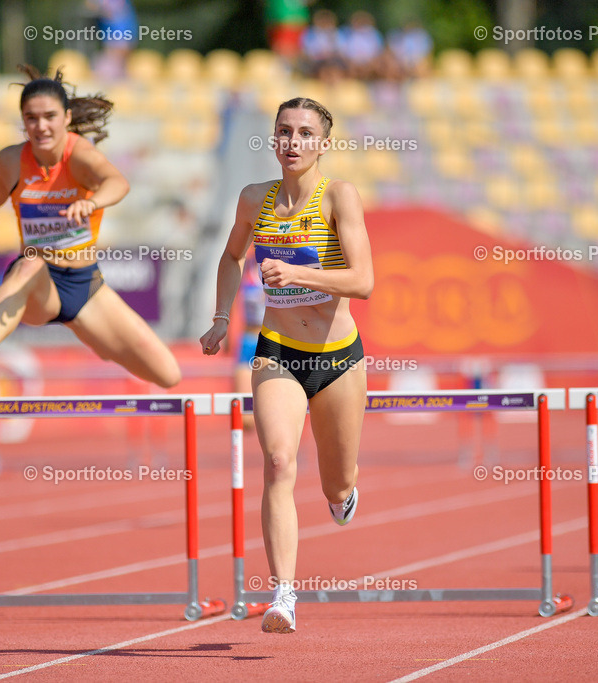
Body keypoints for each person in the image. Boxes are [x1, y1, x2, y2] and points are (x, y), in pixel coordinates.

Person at [200, 97, 374, 634]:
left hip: (339, 360)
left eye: (304, 134)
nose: (292, 142)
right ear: (273, 139)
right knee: (277, 461)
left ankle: (344, 494)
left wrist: (301, 277)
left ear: (323, 143)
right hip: (276, 351)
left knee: (335, 485)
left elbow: (363, 282)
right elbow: (231, 257)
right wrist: (221, 316)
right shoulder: (255, 199)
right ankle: (284, 595)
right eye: (284, 132)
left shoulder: (338, 197)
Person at [0, 65, 181, 389]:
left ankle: (100, 343)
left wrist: (93, 201)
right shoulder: (11, 160)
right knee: (28, 264)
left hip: (86, 286)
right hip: (39, 285)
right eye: (32, 118)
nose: (41, 126)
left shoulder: (80, 155)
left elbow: (118, 182)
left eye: (50, 116)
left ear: (67, 118)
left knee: (168, 375)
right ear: (23, 121)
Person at [233, 249, 265, 431]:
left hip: (273, 342)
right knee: (245, 419)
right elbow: (231, 301)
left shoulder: (286, 265)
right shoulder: (244, 267)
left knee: (275, 418)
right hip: (249, 341)